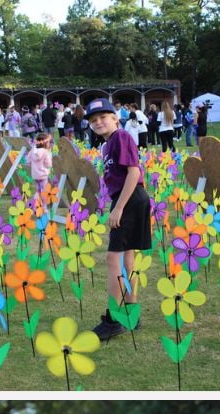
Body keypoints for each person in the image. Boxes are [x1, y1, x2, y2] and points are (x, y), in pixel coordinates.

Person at [86, 98, 149, 343]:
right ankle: (131, 315)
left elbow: (134, 171)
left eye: (103, 117)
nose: (98, 122)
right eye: (93, 120)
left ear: (115, 118)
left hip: (130, 199)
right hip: (129, 199)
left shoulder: (121, 137)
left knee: (114, 258)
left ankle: (114, 320)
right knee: (128, 258)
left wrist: (119, 208)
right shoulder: (109, 144)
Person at [28, 133, 53, 202]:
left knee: (38, 190)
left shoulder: (33, 151)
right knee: (44, 191)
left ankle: (35, 203)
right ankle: (44, 207)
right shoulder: (45, 152)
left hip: (35, 175)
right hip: (43, 175)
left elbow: (28, 161)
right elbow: (48, 165)